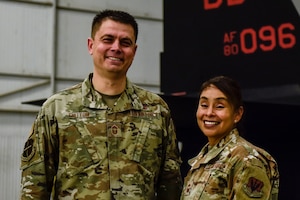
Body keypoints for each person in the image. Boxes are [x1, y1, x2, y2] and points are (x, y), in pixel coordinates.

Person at [20, 9, 183, 200]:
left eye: (125, 42)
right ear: (91, 45)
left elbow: (170, 184)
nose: (116, 48)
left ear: (134, 51)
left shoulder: (156, 109)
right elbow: (35, 185)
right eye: (108, 39)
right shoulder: (56, 109)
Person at [180, 75, 279, 199]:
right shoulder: (201, 160)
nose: (209, 112)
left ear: (237, 114)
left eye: (219, 106)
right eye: (204, 105)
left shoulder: (247, 160)